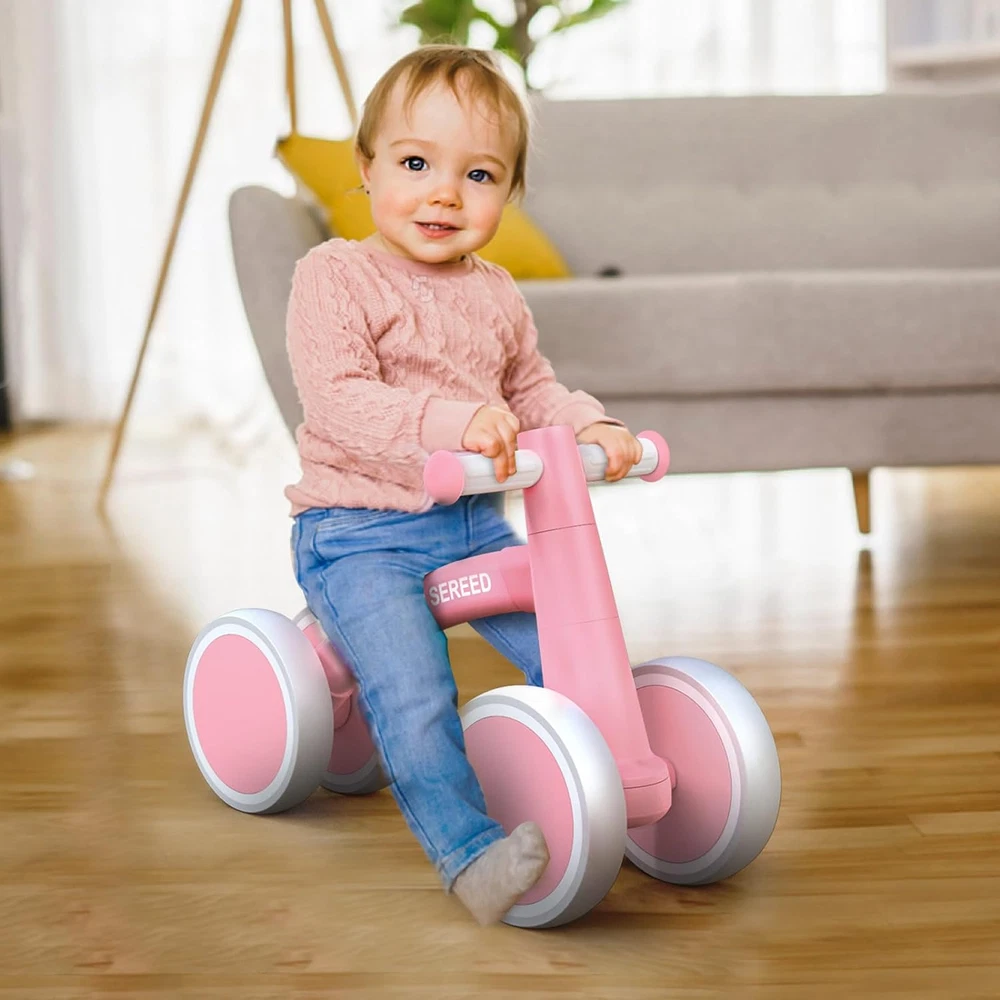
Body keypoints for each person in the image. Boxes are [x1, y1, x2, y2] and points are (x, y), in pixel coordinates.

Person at [286, 44, 643, 925]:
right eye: (416, 164)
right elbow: (339, 400)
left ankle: (617, 784)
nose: (444, 194)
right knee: (415, 690)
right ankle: (468, 852)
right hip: (359, 531)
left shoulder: (496, 292)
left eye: (477, 174)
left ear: (509, 192)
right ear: (366, 167)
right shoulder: (334, 275)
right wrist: (450, 422)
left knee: (573, 640)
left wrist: (588, 425)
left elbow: (532, 390)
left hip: (471, 525)